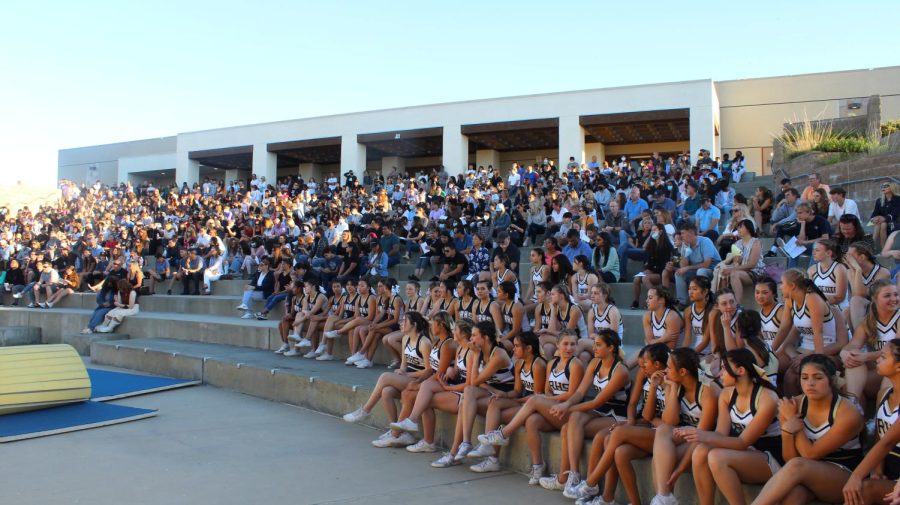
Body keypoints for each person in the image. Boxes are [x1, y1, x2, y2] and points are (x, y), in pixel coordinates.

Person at [565, 344, 670, 505]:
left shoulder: (671, 383)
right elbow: (633, 404)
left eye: (644, 365)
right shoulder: (644, 375)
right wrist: (630, 421)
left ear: (657, 365)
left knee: (617, 435)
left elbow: (661, 419)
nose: (641, 368)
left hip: (663, 432)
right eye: (640, 365)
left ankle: (591, 482)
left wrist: (633, 425)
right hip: (645, 423)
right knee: (608, 442)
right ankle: (614, 499)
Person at [751, 354, 864, 505]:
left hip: (844, 475)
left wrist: (793, 422)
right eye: (804, 377)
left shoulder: (848, 412)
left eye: (818, 378)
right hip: (806, 472)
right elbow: (789, 459)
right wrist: (786, 431)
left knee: (798, 465)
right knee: (792, 497)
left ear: (832, 380)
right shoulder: (792, 405)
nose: (810, 383)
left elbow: (810, 455)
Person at [471, 330, 584, 475]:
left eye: (573, 344)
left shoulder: (574, 365)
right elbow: (543, 391)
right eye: (565, 344)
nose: (569, 348)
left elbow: (571, 395)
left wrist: (543, 399)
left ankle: (502, 435)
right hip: (548, 407)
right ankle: (537, 467)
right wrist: (505, 395)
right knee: (525, 417)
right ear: (557, 345)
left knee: (534, 399)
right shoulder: (552, 363)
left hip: (565, 411)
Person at [538, 329, 630, 498]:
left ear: (611, 348)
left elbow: (597, 402)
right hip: (601, 411)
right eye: (594, 344)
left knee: (569, 425)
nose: (594, 348)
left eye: (599, 345)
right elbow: (580, 393)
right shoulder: (595, 363)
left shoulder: (620, 371)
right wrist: (566, 404)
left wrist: (565, 408)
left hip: (617, 415)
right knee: (571, 422)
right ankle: (572, 475)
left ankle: (571, 479)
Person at [683, 348, 781, 505]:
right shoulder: (727, 393)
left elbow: (743, 442)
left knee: (716, 457)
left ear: (741, 370)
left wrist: (703, 434)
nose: (720, 373)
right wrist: (697, 434)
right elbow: (721, 433)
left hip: (770, 458)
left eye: (724, 368)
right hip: (743, 452)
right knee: (701, 451)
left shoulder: (767, 398)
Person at [342, 312, 433, 449]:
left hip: (420, 381)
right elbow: (404, 363)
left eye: (405, 321)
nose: (401, 323)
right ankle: (396, 431)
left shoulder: (424, 342)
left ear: (414, 325)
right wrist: (402, 371)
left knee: (385, 377)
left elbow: (429, 370)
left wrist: (409, 375)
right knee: (386, 391)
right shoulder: (405, 339)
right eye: (401, 321)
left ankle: (365, 411)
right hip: (408, 377)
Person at [394, 317, 474, 463]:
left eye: (455, 329)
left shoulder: (469, 351)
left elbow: (470, 383)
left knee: (424, 395)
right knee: (423, 395)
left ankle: (442, 448)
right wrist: (451, 371)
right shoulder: (460, 348)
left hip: (465, 394)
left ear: (462, 333)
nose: (453, 332)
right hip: (455, 387)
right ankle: (425, 440)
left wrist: (448, 387)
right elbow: (455, 371)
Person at [649, 348, 719, 505]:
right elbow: (669, 422)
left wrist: (680, 468)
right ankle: (664, 496)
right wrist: (672, 389)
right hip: (686, 438)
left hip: (705, 441)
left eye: (668, 367)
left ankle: (664, 498)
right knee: (662, 434)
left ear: (682, 371)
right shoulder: (676, 385)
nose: (664, 371)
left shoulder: (707, 390)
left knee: (659, 460)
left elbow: (701, 435)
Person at [440, 321, 514, 464]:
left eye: (474, 335)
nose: (471, 339)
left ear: (485, 337)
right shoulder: (478, 352)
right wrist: (475, 356)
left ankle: (458, 450)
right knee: (466, 397)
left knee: (466, 397)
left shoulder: (498, 355)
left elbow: (474, 382)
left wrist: (474, 354)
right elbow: (474, 384)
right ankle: (464, 443)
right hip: (491, 393)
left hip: (506, 397)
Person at [842, 338, 900, 505]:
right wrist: (877, 468)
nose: (877, 359)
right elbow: (879, 438)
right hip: (887, 467)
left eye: (883, 356)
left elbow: (888, 442)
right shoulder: (883, 394)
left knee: (861, 490)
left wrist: (856, 476)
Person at [780, 268, 850, 397]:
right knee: (776, 365)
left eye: (782, 283)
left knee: (792, 376)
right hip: (803, 351)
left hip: (824, 351)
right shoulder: (791, 301)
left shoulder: (812, 299)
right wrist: (792, 356)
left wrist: (809, 358)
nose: (780, 287)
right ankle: (791, 411)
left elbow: (820, 334)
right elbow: (784, 331)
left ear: (792, 286)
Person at [841, 279, 900, 404]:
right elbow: (853, 344)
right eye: (887, 296)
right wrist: (845, 353)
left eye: (896, 294)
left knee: (850, 384)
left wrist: (866, 356)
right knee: (854, 355)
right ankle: (854, 406)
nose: (894, 299)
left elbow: (896, 353)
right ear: (875, 299)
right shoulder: (868, 321)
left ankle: (880, 417)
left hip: (894, 368)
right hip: (878, 368)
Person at [716, 219, 765, 304]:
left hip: (755, 272)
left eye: (741, 227)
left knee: (734, 274)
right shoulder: (736, 244)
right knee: (722, 272)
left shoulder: (756, 242)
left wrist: (732, 269)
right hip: (742, 271)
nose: (738, 229)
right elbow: (736, 262)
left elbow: (752, 264)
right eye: (737, 227)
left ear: (748, 229)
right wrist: (736, 261)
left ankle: (737, 305)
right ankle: (723, 302)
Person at [846, 241, 891, 330]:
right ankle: (856, 339)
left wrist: (858, 270)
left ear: (862, 257)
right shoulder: (849, 272)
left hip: (879, 305)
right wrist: (855, 270)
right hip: (861, 307)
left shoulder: (882, 273)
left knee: (856, 301)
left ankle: (860, 338)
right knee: (846, 311)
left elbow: (861, 294)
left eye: (850, 256)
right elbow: (855, 295)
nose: (847, 258)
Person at [674, 222, 721, 306]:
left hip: (712, 270)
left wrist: (688, 268)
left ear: (691, 233)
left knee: (701, 271)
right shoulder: (685, 245)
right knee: (679, 274)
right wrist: (685, 251)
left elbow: (707, 264)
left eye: (683, 233)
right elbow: (683, 267)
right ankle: (682, 303)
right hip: (696, 269)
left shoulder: (705, 241)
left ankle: (703, 300)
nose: (681, 236)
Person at [631, 223, 674, 309]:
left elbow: (663, 265)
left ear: (661, 231)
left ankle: (656, 300)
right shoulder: (652, 244)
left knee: (645, 278)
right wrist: (647, 270)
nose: (652, 233)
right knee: (636, 278)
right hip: (652, 270)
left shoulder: (667, 246)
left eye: (654, 230)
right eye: (651, 231)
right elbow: (649, 259)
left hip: (661, 272)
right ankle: (636, 301)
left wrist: (650, 269)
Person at [643, 286, 683, 350]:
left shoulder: (672, 316)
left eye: (650, 298)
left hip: (675, 354)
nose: (646, 300)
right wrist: (663, 339)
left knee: (646, 355)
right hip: (655, 350)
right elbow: (649, 341)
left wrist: (652, 343)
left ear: (661, 300)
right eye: (647, 297)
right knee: (641, 356)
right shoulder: (647, 316)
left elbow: (671, 347)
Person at [685, 276, 715, 354]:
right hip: (696, 351)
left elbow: (705, 341)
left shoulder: (713, 311)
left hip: (710, 353)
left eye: (694, 289)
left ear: (705, 291)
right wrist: (683, 352)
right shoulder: (688, 310)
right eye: (689, 288)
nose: (690, 292)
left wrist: (690, 355)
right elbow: (687, 337)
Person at [872, 182, 900, 251]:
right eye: (882, 186)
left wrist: (884, 218)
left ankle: (881, 249)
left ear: (892, 187)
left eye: (886, 186)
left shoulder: (898, 199)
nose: (883, 187)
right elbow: (874, 214)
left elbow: (895, 213)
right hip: (880, 223)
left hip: (894, 221)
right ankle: (872, 246)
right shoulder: (879, 201)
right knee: (881, 224)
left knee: (883, 224)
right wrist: (874, 219)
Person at [524, 248, 549, 315]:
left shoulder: (545, 268)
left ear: (540, 256)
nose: (530, 257)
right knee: (519, 305)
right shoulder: (532, 269)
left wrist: (539, 300)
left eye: (533, 255)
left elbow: (543, 287)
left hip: (543, 297)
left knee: (524, 310)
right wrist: (525, 300)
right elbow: (531, 286)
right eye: (530, 255)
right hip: (535, 297)